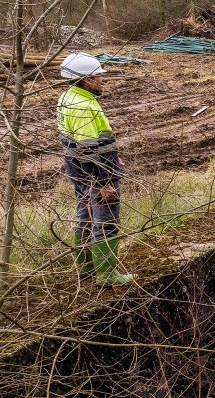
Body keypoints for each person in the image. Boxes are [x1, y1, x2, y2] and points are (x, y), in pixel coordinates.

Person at [57, 52, 135, 285]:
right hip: (96, 175)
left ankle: (87, 269)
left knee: (86, 216)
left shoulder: (68, 97)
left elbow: (86, 143)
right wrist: (106, 183)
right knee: (106, 222)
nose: (102, 79)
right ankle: (107, 275)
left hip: (78, 173)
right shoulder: (83, 106)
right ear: (86, 80)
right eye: (98, 76)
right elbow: (89, 150)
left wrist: (114, 158)